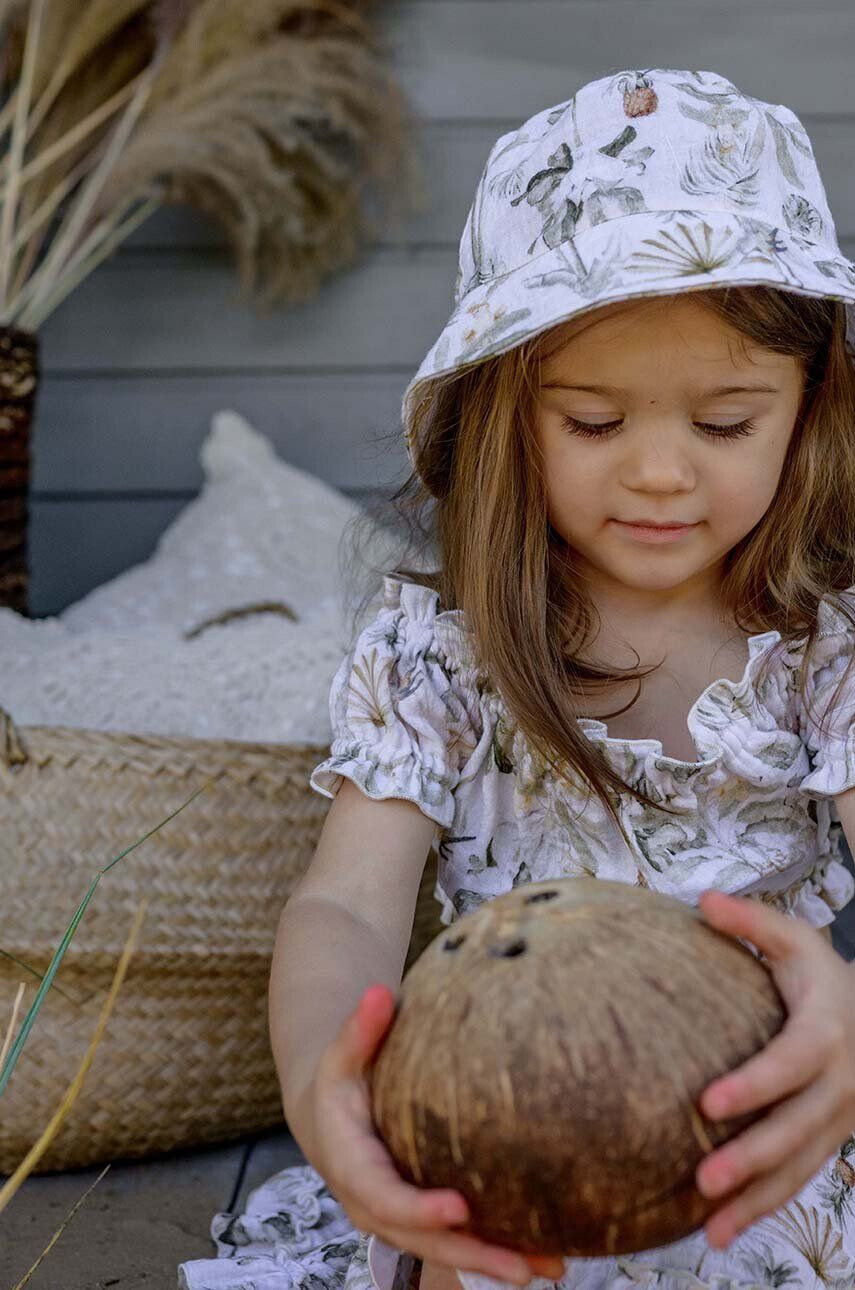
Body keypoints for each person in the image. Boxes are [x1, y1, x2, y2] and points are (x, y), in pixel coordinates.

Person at [178, 68, 855, 1290]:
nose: (660, 475)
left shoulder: (827, 650)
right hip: (493, 1142)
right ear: (506, 414)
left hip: (756, 1162)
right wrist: (332, 1082)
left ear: (809, 410)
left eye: (725, 423)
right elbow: (347, 905)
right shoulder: (439, 650)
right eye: (594, 422)